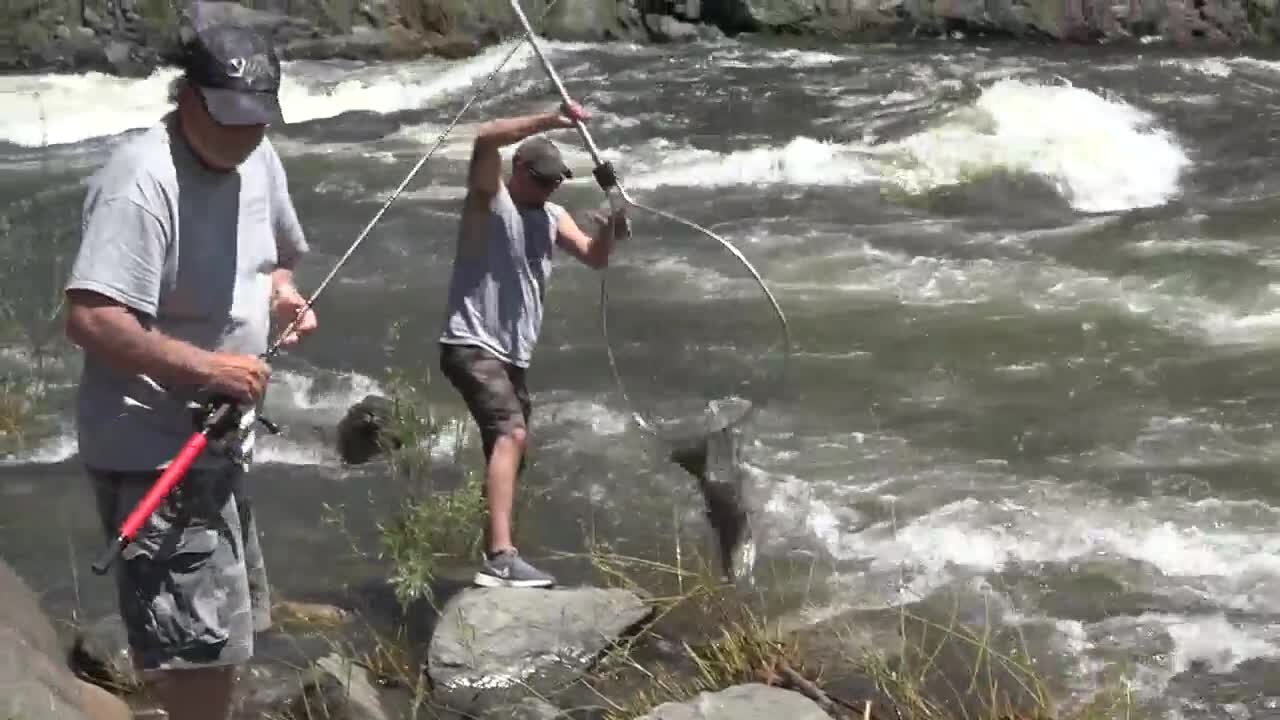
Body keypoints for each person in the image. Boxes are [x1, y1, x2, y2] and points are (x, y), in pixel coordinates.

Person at [61, 5, 316, 719]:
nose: (244, 132)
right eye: (230, 117)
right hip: (151, 451)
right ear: (185, 97)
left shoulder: (257, 156)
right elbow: (91, 317)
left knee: (225, 641)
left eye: (257, 117)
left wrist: (285, 296)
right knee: (194, 652)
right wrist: (205, 369)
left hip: (222, 444)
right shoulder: (140, 182)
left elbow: (274, 261)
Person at [439, 102, 628, 589]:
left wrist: (610, 225)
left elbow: (595, 258)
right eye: (541, 180)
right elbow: (484, 138)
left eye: (556, 182)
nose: (549, 189)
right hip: (471, 341)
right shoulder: (490, 199)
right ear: (518, 170)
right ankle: (501, 557)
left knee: (510, 450)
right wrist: (551, 118)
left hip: (512, 355)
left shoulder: (553, 214)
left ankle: (496, 552)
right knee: (511, 434)